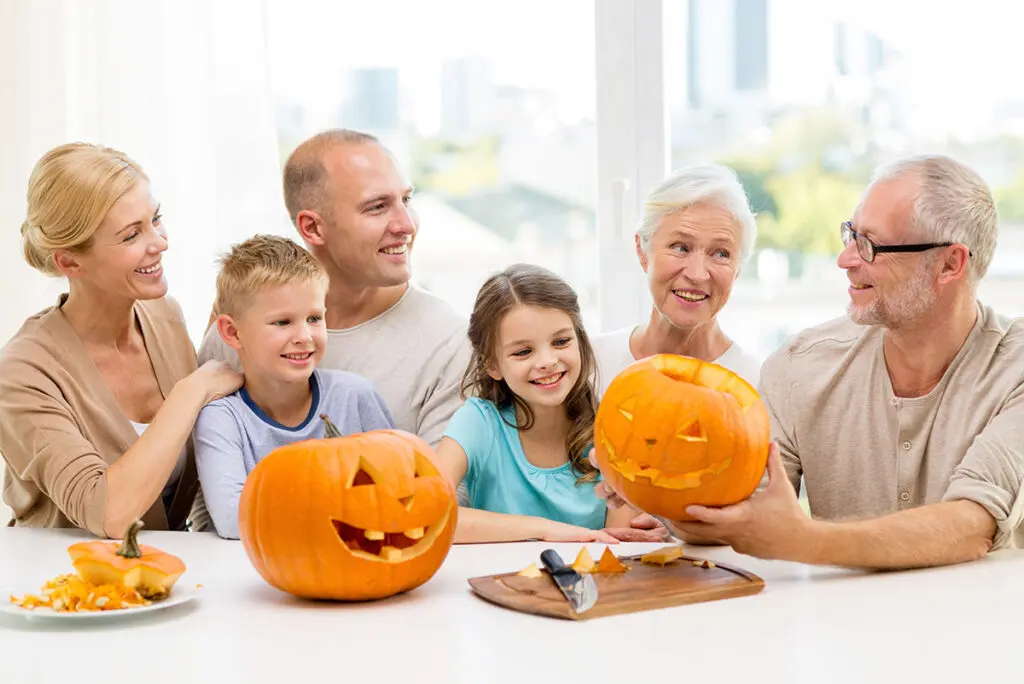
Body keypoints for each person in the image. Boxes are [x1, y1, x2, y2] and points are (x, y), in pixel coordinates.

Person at [596, 154, 1024, 570]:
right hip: (838, 634)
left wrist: (802, 539)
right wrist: (655, 491)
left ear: (950, 264)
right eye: (851, 236)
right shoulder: (798, 366)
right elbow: (742, 513)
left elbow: (972, 524)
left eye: (870, 245)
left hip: (980, 634)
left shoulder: (1014, 367)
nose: (846, 259)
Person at [0, 142, 242, 538]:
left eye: (156, 219)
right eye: (132, 235)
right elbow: (110, 514)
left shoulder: (164, 316)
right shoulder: (22, 373)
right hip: (66, 585)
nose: (160, 242)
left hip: (166, 578)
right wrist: (193, 389)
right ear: (69, 262)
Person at [196, 130, 470, 457]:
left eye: (406, 200)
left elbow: (442, 496)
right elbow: (207, 485)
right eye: (377, 207)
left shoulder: (450, 340)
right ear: (312, 227)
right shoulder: (240, 329)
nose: (406, 224)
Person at [432, 264, 668, 544]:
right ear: (493, 365)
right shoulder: (478, 422)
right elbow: (428, 514)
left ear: (579, 342)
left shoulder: (616, 427)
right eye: (523, 351)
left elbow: (617, 544)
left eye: (561, 341)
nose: (546, 361)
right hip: (501, 582)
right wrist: (546, 530)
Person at [192, 235, 396, 539]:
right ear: (232, 332)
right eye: (283, 322)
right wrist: (345, 506)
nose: (305, 336)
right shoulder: (221, 417)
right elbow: (233, 519)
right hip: (242, 575)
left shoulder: (355, 396)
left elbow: (396, 492)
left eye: (314, 318)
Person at [592, 165, 761, 396]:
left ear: (738, 269)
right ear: (642, 251)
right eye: (680, 247)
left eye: (721, 253)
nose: (697, 274)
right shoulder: (590, 366)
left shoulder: (755, 384)